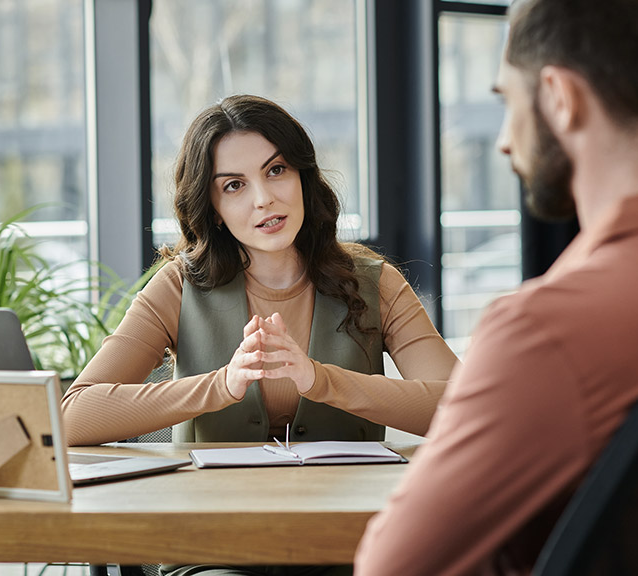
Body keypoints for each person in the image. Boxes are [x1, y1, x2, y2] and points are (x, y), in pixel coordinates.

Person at [354, 0, 638, 575]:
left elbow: (390, 567)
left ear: (560, 97)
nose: (506, 140)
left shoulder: (541, 327)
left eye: (508, 101)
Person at [61, 94, 458, 575]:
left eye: (276, 171)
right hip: (212, 551)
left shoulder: (375, 282)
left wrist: (321, 381)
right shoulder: (178, 285)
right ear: (211, 206)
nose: (263, 198)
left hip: (350, 545)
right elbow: (71, 415)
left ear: (303, 177)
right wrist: (221, 385)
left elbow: (466, 410)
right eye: (233, 185)